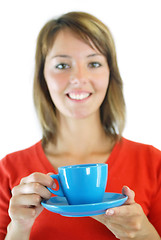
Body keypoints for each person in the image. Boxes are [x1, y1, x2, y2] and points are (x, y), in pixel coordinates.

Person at [0, 11, 161, 240]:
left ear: (110, 74)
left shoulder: (153, 164)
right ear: (43, 77)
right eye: (63, 65)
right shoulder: (9, 171)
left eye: (93, 63)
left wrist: (144, 233)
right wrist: (19, 228)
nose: (78, 77)